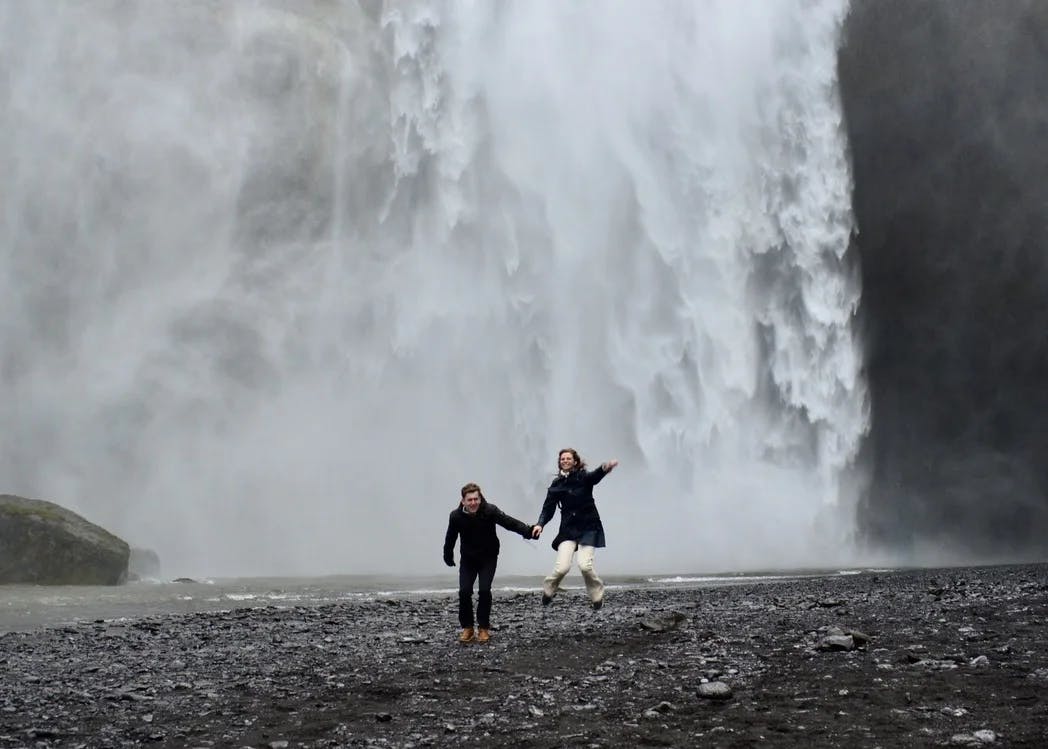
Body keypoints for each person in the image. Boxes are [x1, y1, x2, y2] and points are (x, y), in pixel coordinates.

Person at [443, 482, 539, 644]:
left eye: (476, 499)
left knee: (484, 590)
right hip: (468, 559)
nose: (473, 503)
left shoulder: (490, 511)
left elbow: (509, 523)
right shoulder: (456, 516)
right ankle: (467, 628)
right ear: (463, 501)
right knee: (464, 592)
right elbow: (450, 537)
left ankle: (483, 628)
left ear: (480, 498)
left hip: (488, 558)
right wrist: (448, 555)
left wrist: (529, 531)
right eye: (470, 500)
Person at [531, 448, 618, 610]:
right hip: (568, 530)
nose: (565, 461)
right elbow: (548, 509)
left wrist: (605, 468)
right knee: (562, 567)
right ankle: (549, 590)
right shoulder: (556, 485)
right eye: (562, 459)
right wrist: (540, 524)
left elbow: (595, 476)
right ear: (559, 463)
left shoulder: (583, 477)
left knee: (585, 565)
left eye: (568, 458)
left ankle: (597, 596)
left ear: (575, 462)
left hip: (588, 526)